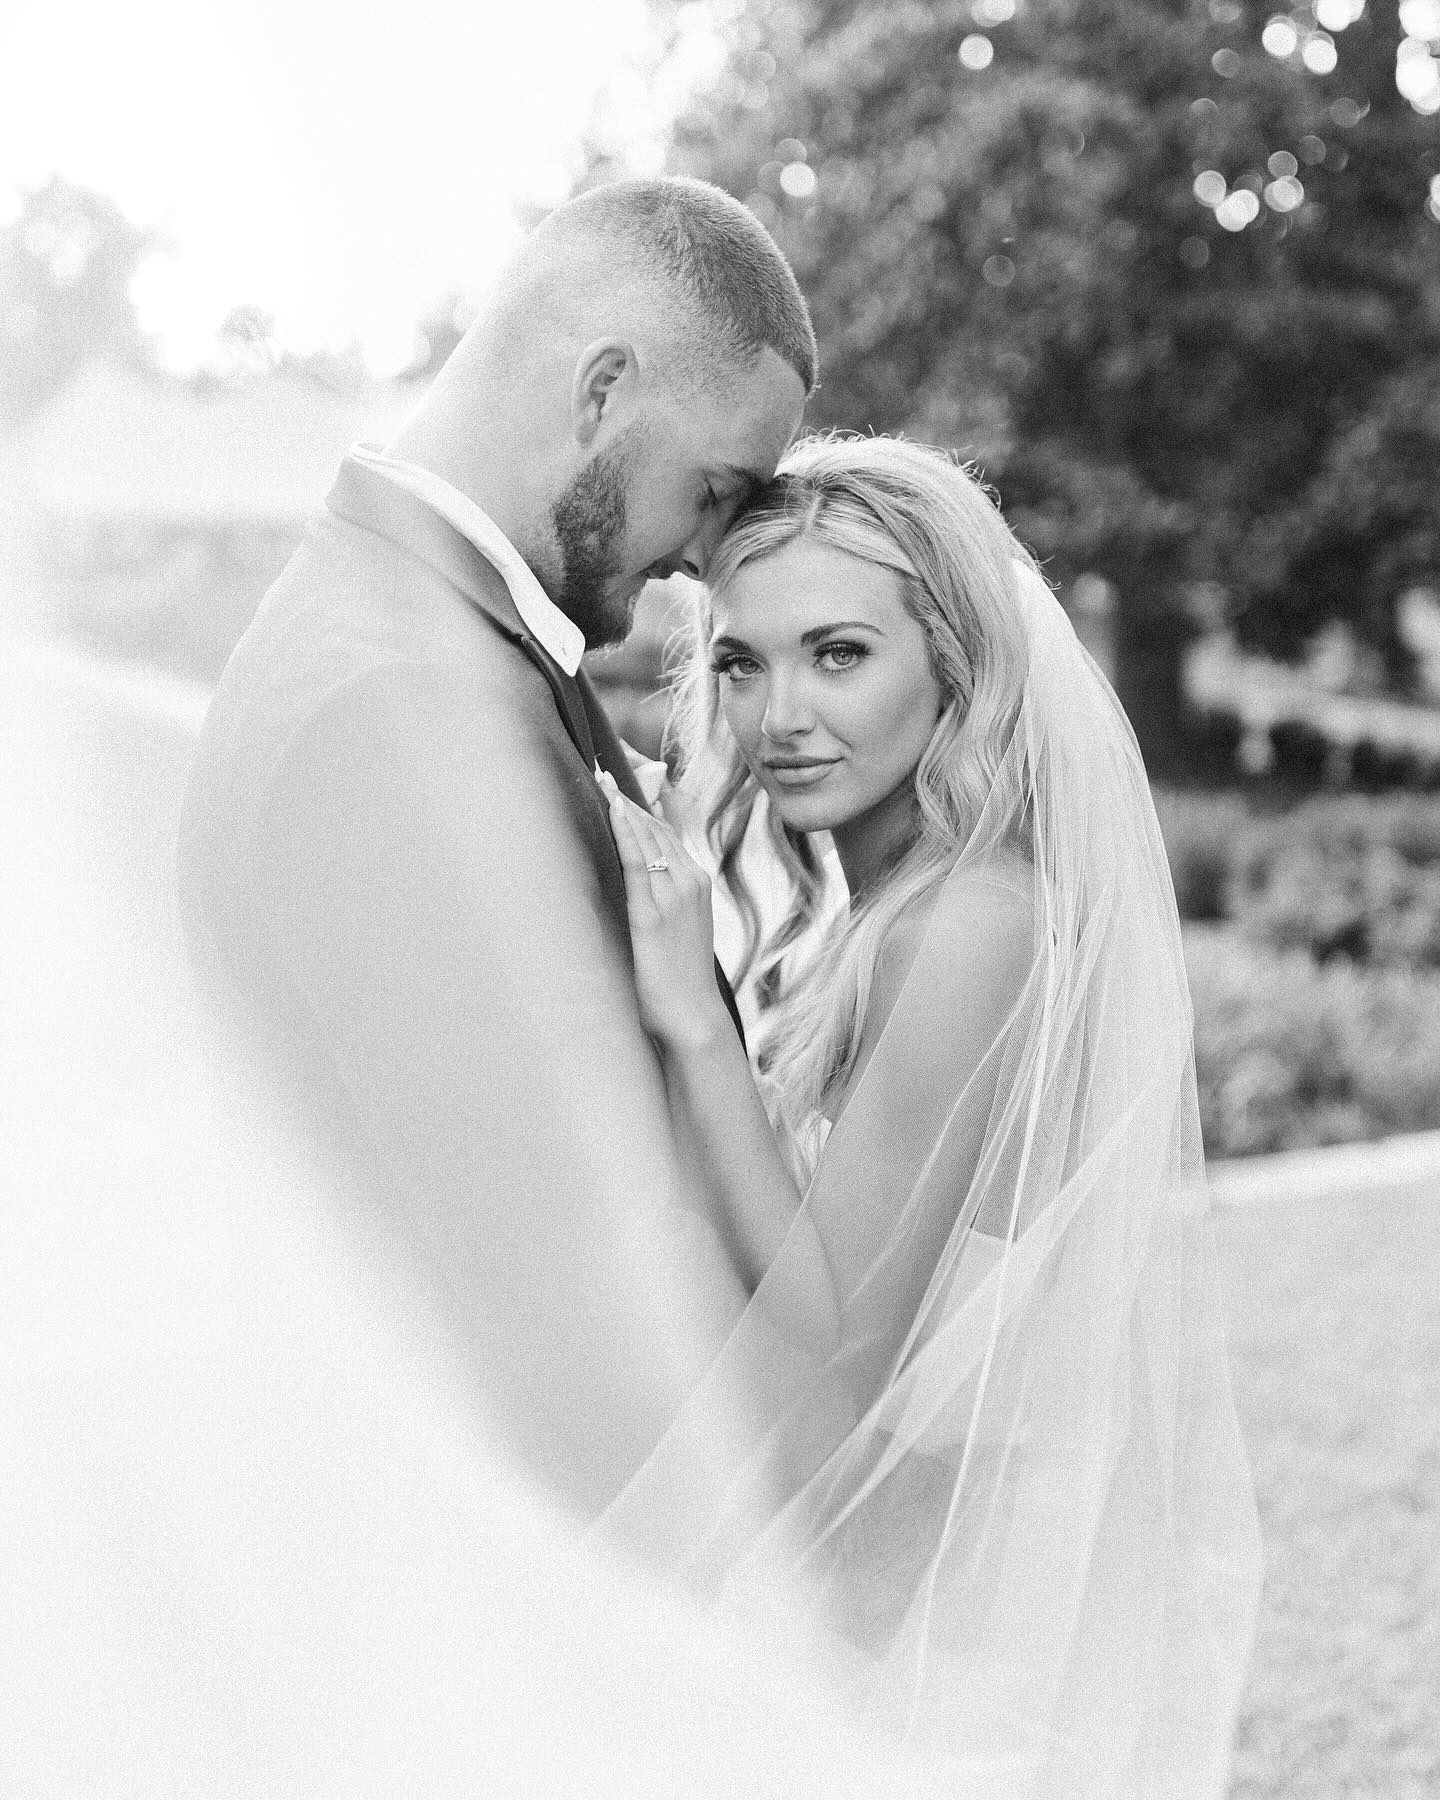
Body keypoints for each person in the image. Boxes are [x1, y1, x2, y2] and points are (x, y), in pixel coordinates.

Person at [598, 435, 1262, 1796]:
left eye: (838, 654)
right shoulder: (898, 905)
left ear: (953, 668)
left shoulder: (968, 924)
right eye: (742, 659)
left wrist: (688, 1019)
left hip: (927, 1634)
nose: (778, 713)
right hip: (886, 1591)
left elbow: (840, 1343)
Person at [177, 178, 813, 1516]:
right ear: (600, 392)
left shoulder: (443, 642)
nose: (708, 559)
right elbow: (545, 1264)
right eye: (714, 490)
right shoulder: (396, 703)